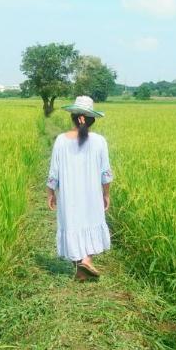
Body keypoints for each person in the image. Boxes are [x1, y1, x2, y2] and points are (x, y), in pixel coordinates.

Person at [46, 95, 113, 281]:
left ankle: (81, 265)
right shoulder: (100, 141)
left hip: (69, 195)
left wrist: (50, 192)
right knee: (90, 222)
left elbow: (54, 171)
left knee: (72, 224)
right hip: (91, 194)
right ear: (90, 120)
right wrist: (106, 194)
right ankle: (86, 261)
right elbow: (105, 173)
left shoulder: (61, 140)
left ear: (74, 118)